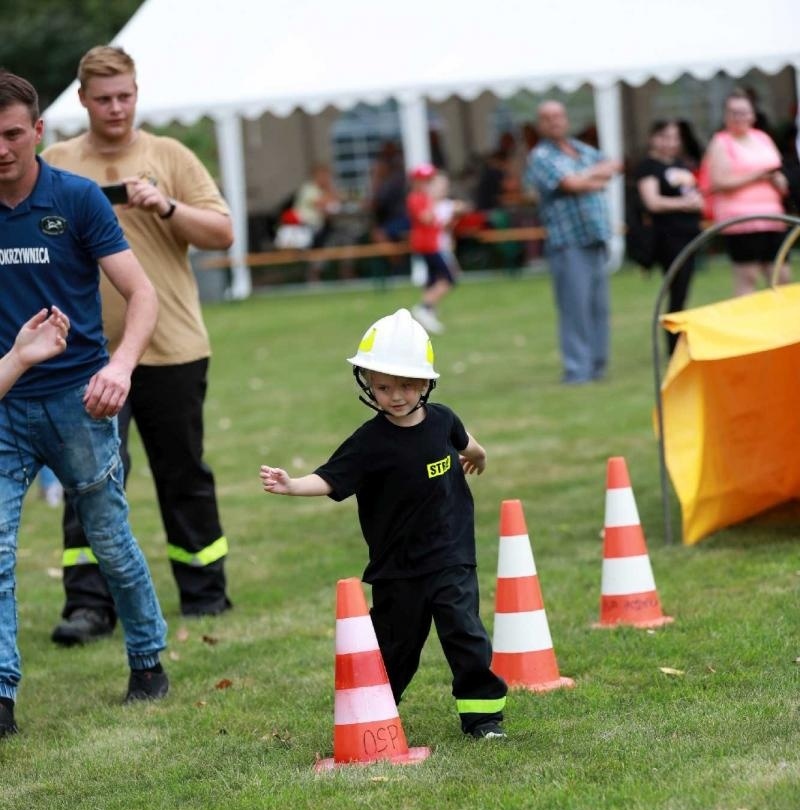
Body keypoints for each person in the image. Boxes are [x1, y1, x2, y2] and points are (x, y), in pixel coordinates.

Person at [42, 45, 234, 647]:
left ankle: (205, 592)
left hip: (172, 347)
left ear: (136, 93)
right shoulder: (58, 162)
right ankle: (90, 605)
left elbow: (223, 234)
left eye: (125, 95)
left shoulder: (168, 156)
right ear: (83, 100)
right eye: (103, 98)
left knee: (183, 475)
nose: (116, 107)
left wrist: (167, 205)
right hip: (84, 355)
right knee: (89, 480)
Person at [0, 70, 168, 738]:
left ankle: (148, 660)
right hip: (5, 401)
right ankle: (2, 696)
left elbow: (143, 294)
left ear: (38, 132)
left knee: (110, 541)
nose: (1, 148)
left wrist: (120, 367)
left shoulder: (76, 200)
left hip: (82, 403)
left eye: (13, 134)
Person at [259, 308, 508, 740]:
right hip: (398, 569)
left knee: (466, 635)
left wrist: (479, 458)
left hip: (452, 557)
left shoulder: (444, 420)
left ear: (426, 383)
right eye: (383, 386)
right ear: (367, 384)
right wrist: (292, 484)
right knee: (394, 648)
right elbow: (331, 478)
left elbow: (469, 445)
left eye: (407, 385)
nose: (396, 395)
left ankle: (483, 719)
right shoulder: (369, 443)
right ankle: (373, 712)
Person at [526, 100, 622, 385]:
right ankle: (577, 371)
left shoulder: (580, 148)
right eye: (548, 117)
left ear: (566, 119)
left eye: (559, 116)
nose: (555, 121)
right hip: (567, 242)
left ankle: (597, 366)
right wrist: (589, 178)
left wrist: (584, 177)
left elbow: (613, 165)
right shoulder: (540, 156)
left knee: (598, 308)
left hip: (595, 237)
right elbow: (570, 184)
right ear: (540, 124)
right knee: (575, 309)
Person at [703, 90, 790, 296]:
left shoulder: (763, 138)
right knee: (748, 275)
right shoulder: (721, 142)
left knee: (782, 275)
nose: (739, 117)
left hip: (772, 216)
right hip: (740, 220)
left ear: (753, 114)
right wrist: (756, 176)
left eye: (743, 112)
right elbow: (718, 181)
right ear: (726, 115)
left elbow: (778, 170)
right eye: (734, 112)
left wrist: (779, 181)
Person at [635, 120, 704, 351]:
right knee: (677, 289)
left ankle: (679, 339)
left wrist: (696, 202)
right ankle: (673, 344)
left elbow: (695, 192)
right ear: (654, 138)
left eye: (675, 137)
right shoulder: (648, 166)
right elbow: (652, 201)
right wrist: (682, 203)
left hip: (689, 233)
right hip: (668, 236)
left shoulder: (680, 164)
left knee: (683, 290)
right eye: (665, 137)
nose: (671, 143)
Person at [407, 164, 457, 334]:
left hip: (432, 243)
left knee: (433, 279)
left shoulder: (424, 198)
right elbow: (426, 218)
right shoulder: (417, 198)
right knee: (449, 278)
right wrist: (434, 202)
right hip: (426, 245)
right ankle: (424, 307)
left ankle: (429, 310)